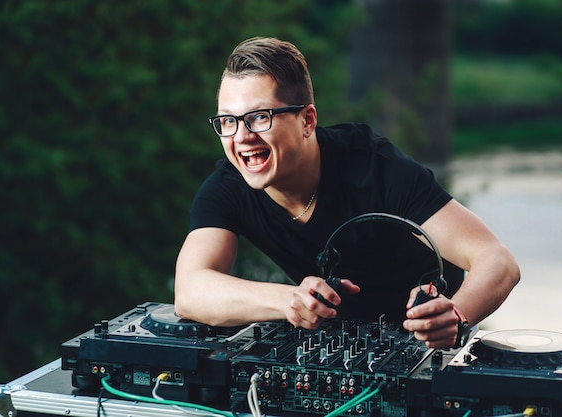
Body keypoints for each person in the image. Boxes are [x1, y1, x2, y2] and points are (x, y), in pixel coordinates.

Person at [174, 37, 520, 350]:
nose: (242, 137)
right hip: (332, 347)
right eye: (228, 121)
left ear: (307, 121)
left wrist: (457, 315)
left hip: (427, 345)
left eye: (259, 117)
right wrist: (288, 300)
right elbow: (191, 291)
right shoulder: (227, 186)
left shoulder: (375, 165)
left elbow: (497, 261)